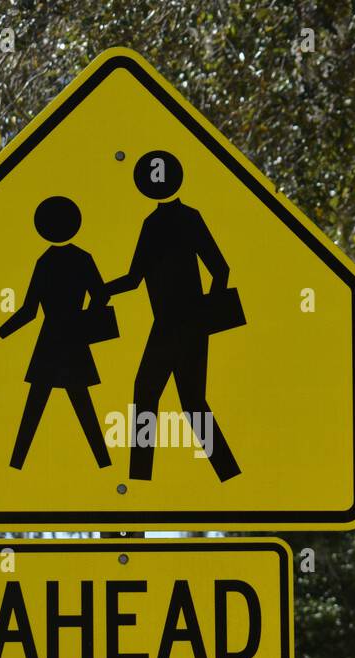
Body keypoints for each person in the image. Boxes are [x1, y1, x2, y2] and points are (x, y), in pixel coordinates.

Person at [104, 150, 241, 482]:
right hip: (189, 323)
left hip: (171, 324)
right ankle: (228, 472)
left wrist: (103, 290)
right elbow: (219, 270)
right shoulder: (180, 219)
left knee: (146, 392)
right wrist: (205, 313)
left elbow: (135, 278)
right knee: (191, 402)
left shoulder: (157, 224)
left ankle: (139, 479)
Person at [0, 196, 112, 470]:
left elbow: (29, 310)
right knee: (79, 404)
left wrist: (2, 333)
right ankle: (104, 464)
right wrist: (83, 322)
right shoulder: (81, 258)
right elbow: (101, 296)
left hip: (51, 341)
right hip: (72, 339)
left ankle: (17, 464)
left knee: (39, 405)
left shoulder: (45, 261)